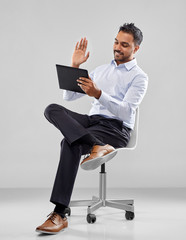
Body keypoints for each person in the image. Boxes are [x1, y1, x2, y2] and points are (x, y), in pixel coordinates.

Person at [36, 23, 148, 234]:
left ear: (136, 48)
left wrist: (98, 94)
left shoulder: (139, 77)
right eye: (116, 42)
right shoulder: (100, 71)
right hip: (92, 123)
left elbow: (126, 113)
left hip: (116, 129)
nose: (117, 47)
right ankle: (97, 145)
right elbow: (69, 97)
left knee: (69, 142)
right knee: (52, 109)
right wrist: (75, 67)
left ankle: (59, 213)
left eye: (124, 45)